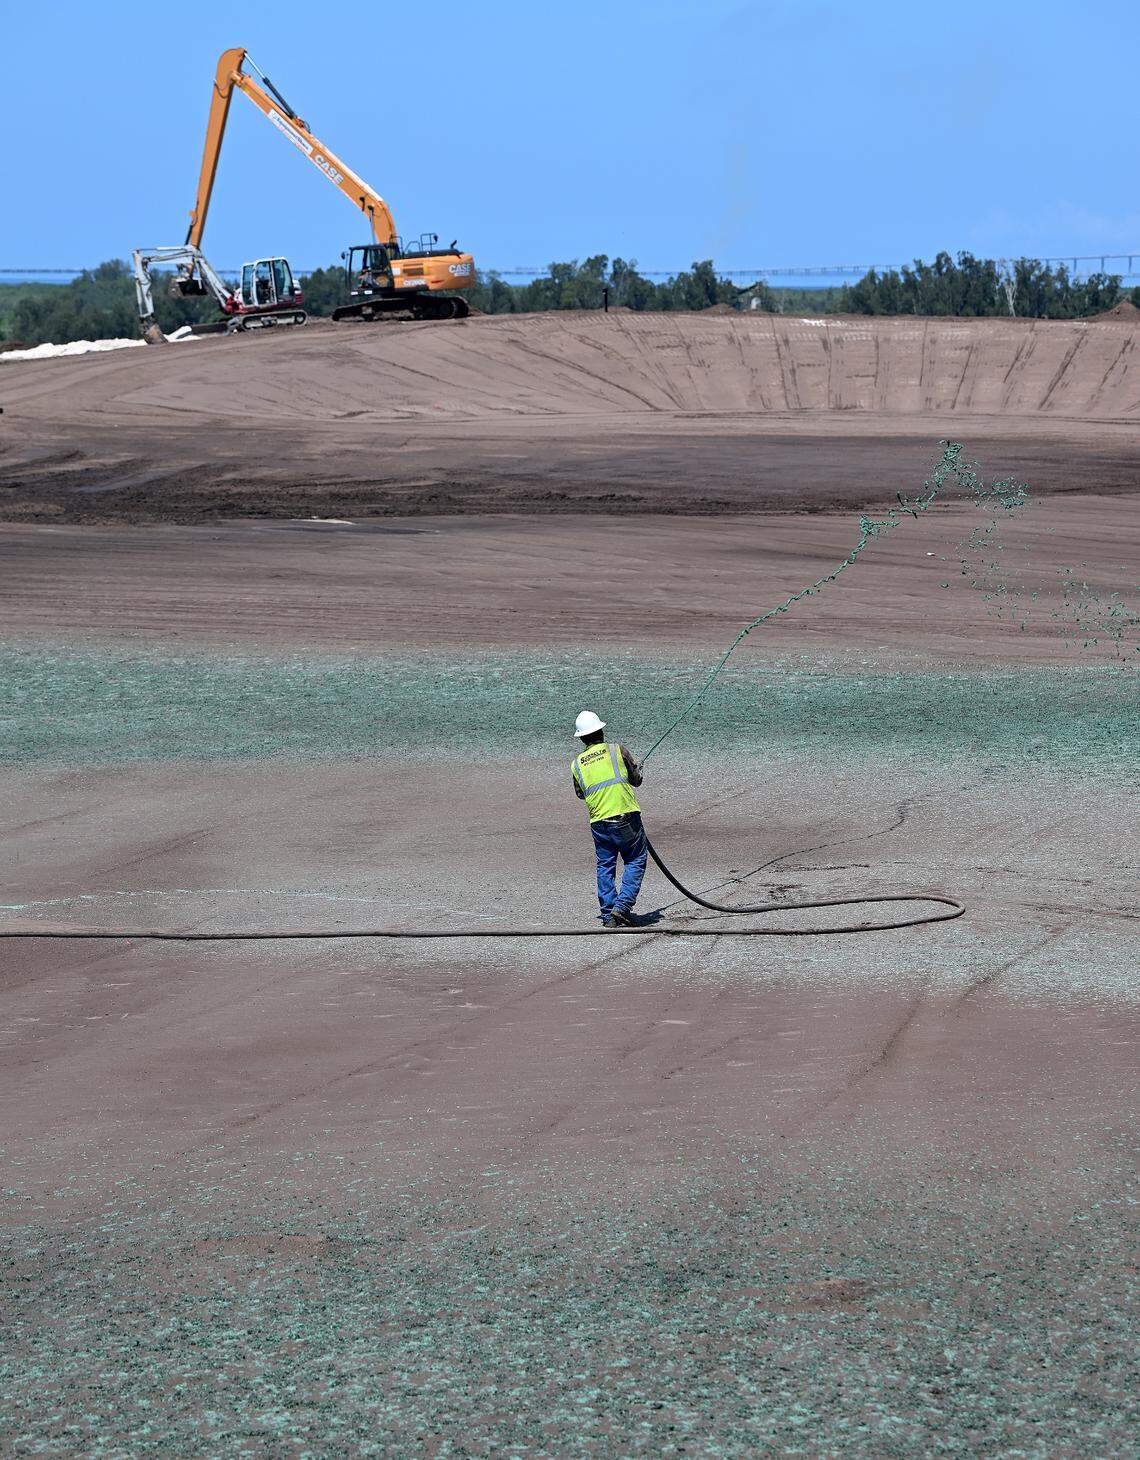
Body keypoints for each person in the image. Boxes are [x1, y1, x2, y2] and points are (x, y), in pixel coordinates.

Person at [571, 710, 647, 927]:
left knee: (605, 865)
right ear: (601, 731)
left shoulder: (576, 764)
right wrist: (637, 769)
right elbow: (636, 780)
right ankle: (622, 907)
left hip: (598, 822)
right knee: (636, 859)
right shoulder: (617, 750)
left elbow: (581, 793)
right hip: (625, 817)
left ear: (582, 738)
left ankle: (608, 915)